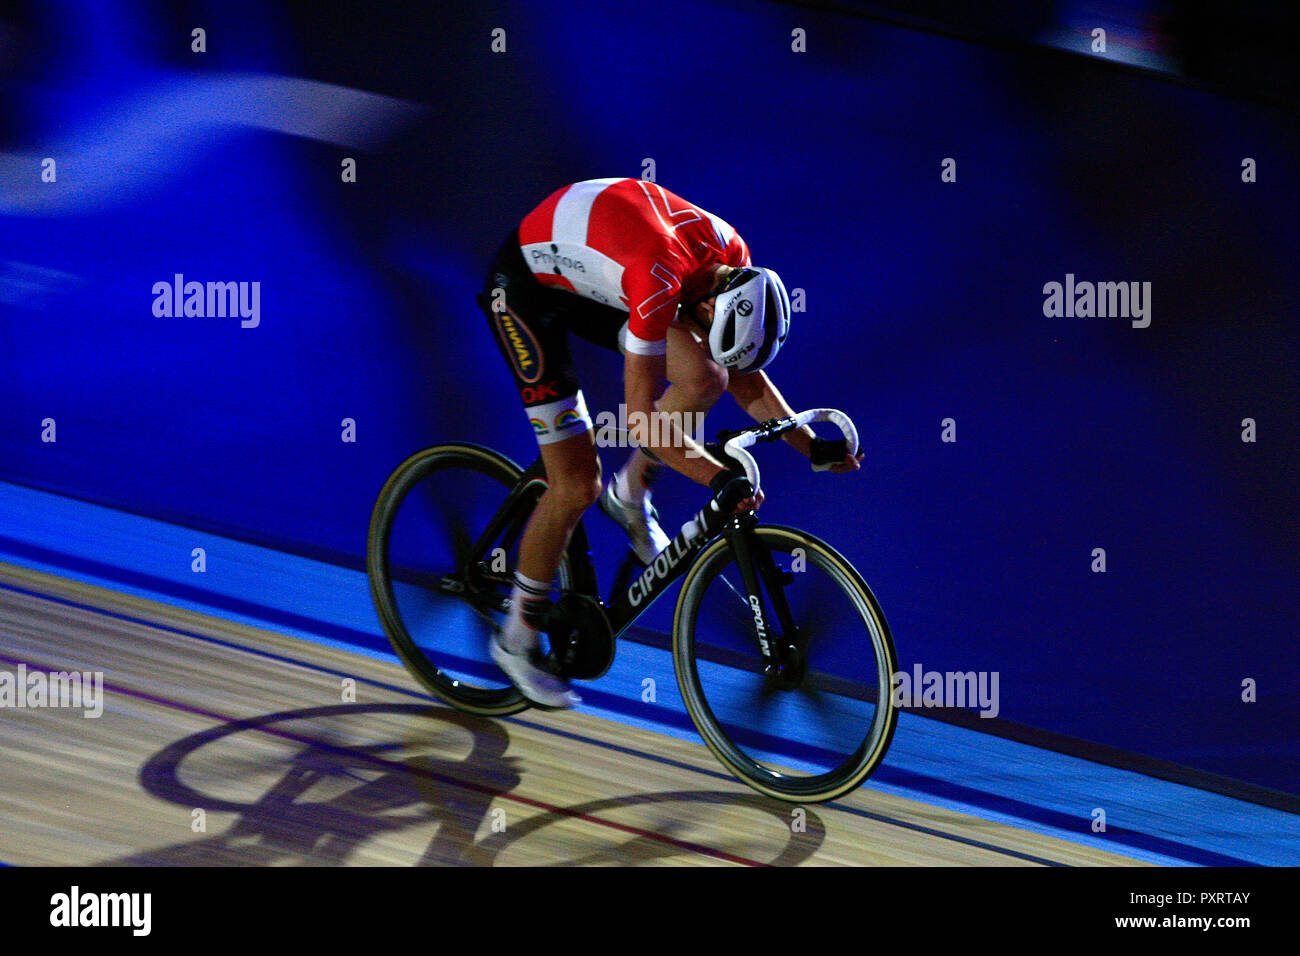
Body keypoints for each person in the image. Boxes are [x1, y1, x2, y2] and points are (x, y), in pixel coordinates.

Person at [475, 177, 861, 708]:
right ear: (708, 311)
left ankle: (629, 495)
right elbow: (641, 417)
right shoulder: (658, 281)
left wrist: (809, 445)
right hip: (525, 290)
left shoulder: (733, 258)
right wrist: (717, 477)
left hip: (597, 274)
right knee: (574, 484)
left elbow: (741, 375)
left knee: (706, 378)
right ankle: (515, 638)